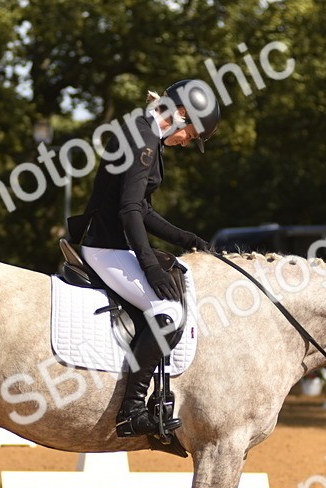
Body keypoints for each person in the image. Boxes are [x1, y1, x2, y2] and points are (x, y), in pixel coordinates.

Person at [73, 79, 220, 438]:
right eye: (192, 135)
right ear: (181, 116)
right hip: (106, 247)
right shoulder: (141, 136)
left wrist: (188, 238)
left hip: (116, 244)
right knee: (168, 313)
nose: (187, 143)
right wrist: (150, 265)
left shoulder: (145, 133)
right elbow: (128, 211)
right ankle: (131, 410)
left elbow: (143, 210)